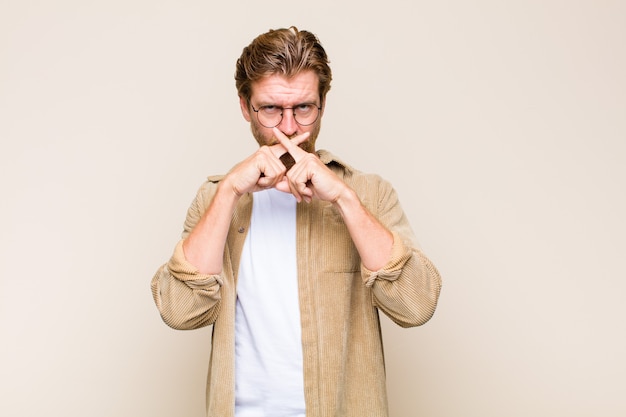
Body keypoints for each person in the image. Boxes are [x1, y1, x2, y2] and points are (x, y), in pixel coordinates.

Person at [151, 26, 442, 417]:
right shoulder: (216, 198)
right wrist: (229, 192)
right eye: (271, 108)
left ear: (323, 104)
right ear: (244, 106)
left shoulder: (368, 193)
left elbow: (416, 305)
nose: (289, 127)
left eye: (303, 107)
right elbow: (180, 310)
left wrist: (342, 198)